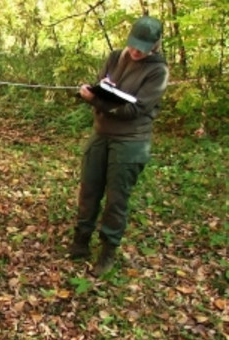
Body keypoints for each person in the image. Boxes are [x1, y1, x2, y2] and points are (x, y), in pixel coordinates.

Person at [68, 15, 169, 276]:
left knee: (116, 198)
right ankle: (81, 241)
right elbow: (103, 84)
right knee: (89, 188)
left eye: (142, 48)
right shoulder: (115, 57)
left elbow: (132, 110)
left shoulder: (158, 71)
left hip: (130, 141)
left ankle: (107, 251)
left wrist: (96, 101)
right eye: (133, 45)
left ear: (155, 45)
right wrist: (93, 92)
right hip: (102, 134)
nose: (135, 52)